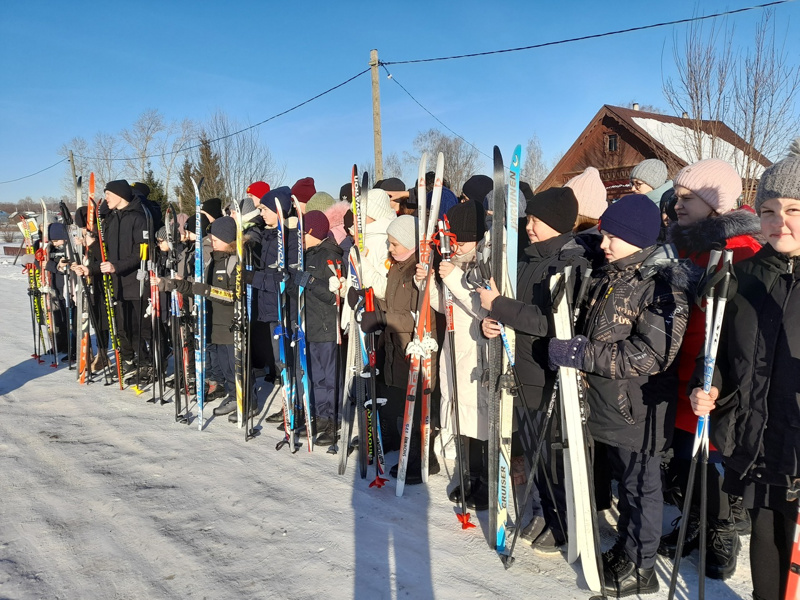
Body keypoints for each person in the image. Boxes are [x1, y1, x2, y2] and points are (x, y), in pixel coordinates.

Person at [548, 194, 690, 597]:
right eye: (604, 235)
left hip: (640, 411)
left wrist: (581, 354)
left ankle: (641, 569)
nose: (604, 243)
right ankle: (628, 551)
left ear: (637, 239)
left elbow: (651, 355)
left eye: (612, 237)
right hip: (610, 405)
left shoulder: (662, 287)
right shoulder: (611, 274)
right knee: (626, 488)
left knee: (640, 489)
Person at [688, 139, 800, 600]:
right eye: (769, 210)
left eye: (794, 209)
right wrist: (707, 385)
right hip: (758, 442)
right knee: (768, 546)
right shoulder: (744, 275)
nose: (780, 222)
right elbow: (720, 353)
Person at [661, 158, 762, 579]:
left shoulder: (742, 249)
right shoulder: (679, 245)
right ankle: (696, 520)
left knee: (714, 459)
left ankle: (722, 531)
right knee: (687, 457)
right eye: (678, 197)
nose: (677, 205)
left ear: (713, 203)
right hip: (680, 369)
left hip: (717, 378)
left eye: (687, 198)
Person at [479, 187, 585, 551]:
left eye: (536, 220)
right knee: (534, 454)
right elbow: (505, 305)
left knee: (553, 457)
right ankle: (543, 510)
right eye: (530, 219)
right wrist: (491, 320)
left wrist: (500, 306)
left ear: (555, 223)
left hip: (548, 374)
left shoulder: (571, 263)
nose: (529, 226)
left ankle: (564, 522)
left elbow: (550, 322)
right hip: (520, 368)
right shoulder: (524, 259)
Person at [360, 214, 440, 482]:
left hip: (415, 349)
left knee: (417, 408)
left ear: (410, 243)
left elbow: (416, 316)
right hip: (396, 347)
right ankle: (399, 443)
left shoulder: (418, 270)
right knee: (398, 399)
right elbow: (393, 306)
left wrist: (383, 320)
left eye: (395, 244)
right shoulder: (396, 267)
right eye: (389, 243)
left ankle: (423, 460)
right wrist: (369, 303)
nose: (390, 249)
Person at [422, 200, 491, 509]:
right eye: (454, 239)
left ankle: (485, 481)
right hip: (454, 351)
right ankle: (468, 475)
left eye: (463, 239)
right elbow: (445, 305)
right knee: (461, 419)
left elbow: (481, 308)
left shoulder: (485, 263)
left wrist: (451, 278)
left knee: (479, 421)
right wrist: (427, 282)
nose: (457, 245)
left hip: (476, 351)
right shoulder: (456, 262)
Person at [292, 211, 344, 444]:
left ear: (312, 232)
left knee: (329, 377)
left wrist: (310, 281)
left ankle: (333, 420)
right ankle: (321, 416)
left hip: (326, 328)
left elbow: (335, 296)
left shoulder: (329, 256)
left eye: (303, 232)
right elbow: (301, 290)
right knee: (315, 376)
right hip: (309, 326)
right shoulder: (307, 255)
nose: (300, 237)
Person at [99, 179, 152, 380]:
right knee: (124, 327)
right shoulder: (113, 219)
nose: (106, 199)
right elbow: (108, 252)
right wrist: (92, 268)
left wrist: (117, 266)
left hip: (136, 282)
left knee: (141, 327)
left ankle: (148, 363)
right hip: (118, 283)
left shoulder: (138, 218)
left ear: (120, 195)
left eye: (109, 195)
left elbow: (141, 252)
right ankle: (131, 360)